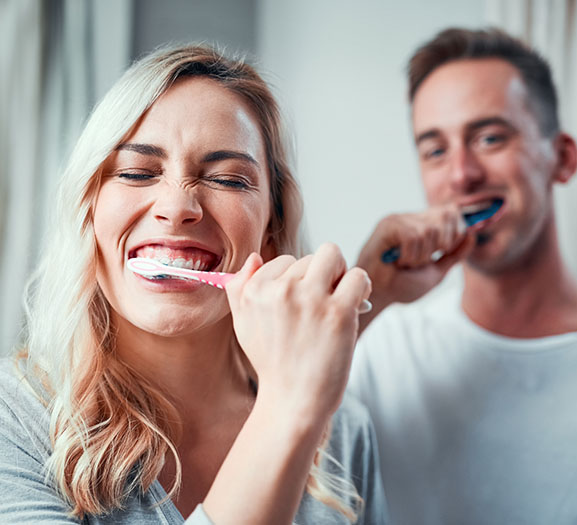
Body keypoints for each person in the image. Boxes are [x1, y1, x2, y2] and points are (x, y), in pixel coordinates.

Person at [0, 44, 390, 524]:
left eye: (228, 180)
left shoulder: (343, 429)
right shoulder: (13, 420)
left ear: (270, 230)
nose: (178, 206)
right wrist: (287, 409)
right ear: (89, 212)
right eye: (136, 172)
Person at [349, 27, 577, 525]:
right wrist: (368, 290)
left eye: (490, 138)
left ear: (563, 157)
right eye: (435, 150)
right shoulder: (379, 350)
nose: (462, 174)